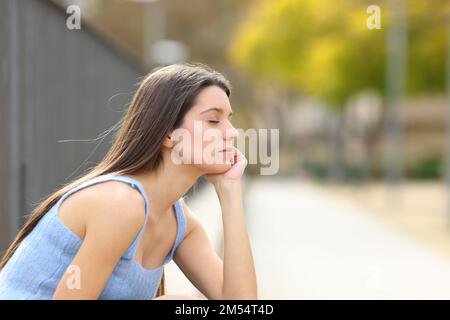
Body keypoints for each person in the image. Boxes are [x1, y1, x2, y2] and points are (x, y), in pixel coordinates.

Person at [0, 63, 257, 300]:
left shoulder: (179, 223)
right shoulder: (120, 203)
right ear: (168, 133)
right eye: (213, 120)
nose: (231, 133)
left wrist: (230, 192)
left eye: (229, 120)